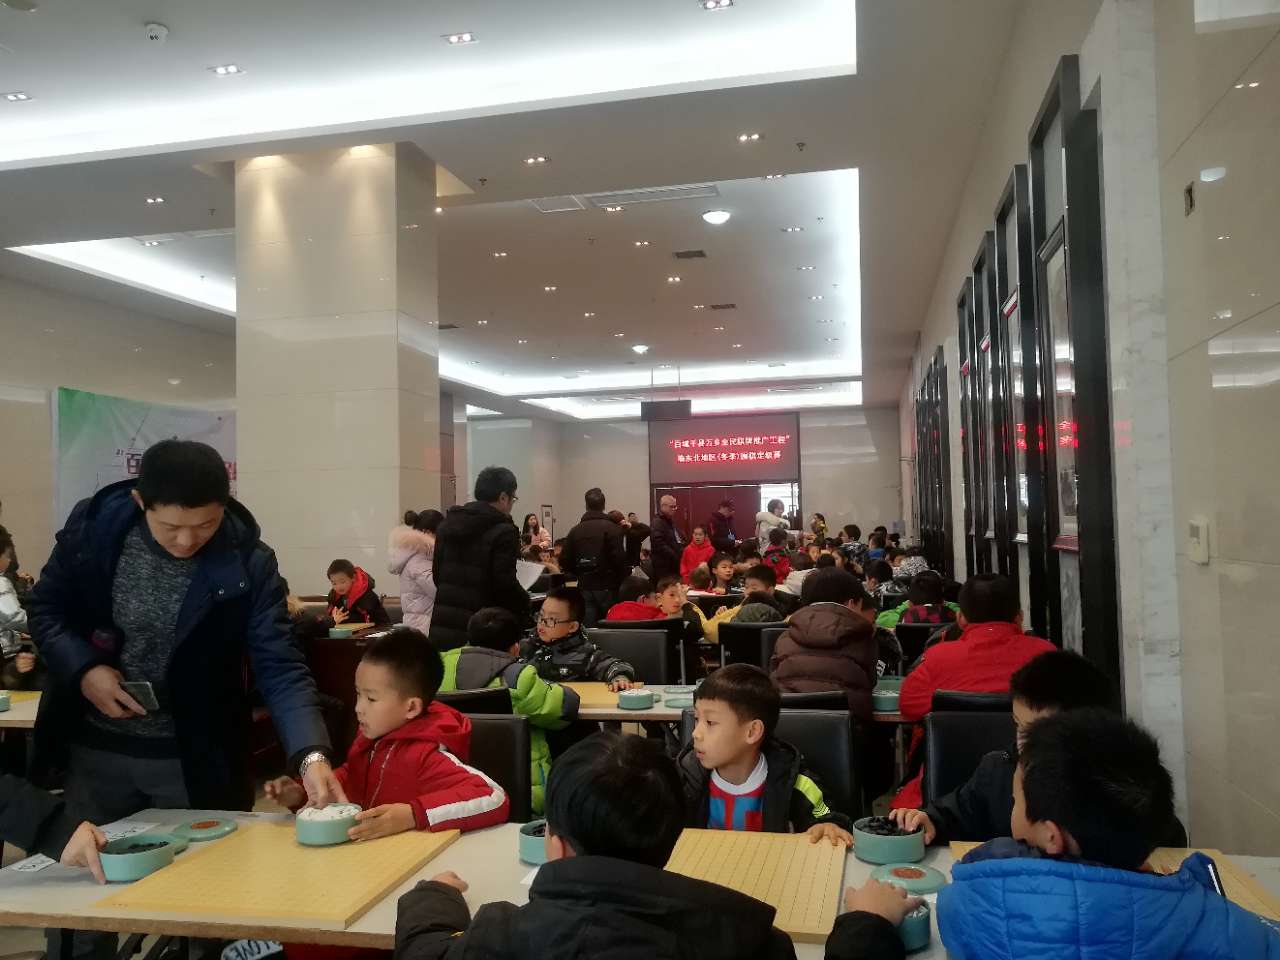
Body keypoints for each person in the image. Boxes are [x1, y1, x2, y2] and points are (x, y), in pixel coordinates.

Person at [28, 441, 340, 960]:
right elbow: (46, 612)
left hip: (195, 758)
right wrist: (84, 670)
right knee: (84, 901)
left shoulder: (249, 560)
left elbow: (280, 666)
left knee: (207, 902)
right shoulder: (94, 533)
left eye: (206, 524)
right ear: (140, 502)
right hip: (96, 754)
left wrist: (310, 754)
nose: (188, 540)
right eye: (171, 527)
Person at [393, 733, 799, 960]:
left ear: (557, 847)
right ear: (672, 839)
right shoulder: (755, 941)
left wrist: (434, 894)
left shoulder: (504, 936)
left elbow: (422, 952)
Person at [939, 710, 1280, 959]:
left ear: (1051, 836)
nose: (1013, 807)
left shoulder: (973, 902)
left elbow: (953, 904)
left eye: (1016, 801)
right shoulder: (1211, 917)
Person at [265, 627, 508, 838]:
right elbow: (350, 781)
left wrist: (412, 814)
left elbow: (493, 797)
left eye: (371, 699)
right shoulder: (369, 739)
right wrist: (302, 793)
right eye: (358, 694)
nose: (358, 708)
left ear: (411, 707)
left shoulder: (426, 756)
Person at [890, 650, 1116, 845]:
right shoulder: (1000, 769)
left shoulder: (1114, 792)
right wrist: (933, 821)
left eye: (1038, 734)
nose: (1022, 742)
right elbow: (960, 813)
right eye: (1018, 725)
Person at [891, 573, 1055, 810]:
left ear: (960, 618)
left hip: (944, 789)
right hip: (1035, 791)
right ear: (1019, 617)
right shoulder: (1046, 656)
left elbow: (908, 705)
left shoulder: (939, 658)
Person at [677, 664, 852, 841]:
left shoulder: (794, 782)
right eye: (697, 719)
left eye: (710, 722)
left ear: (752, 732)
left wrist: (827, 825)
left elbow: (826, 818)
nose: (695, 733)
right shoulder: (685, 778)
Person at [439, 609, 580, 814]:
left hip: (452, 787)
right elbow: (564, 708)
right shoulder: (517, 678)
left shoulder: (438, 669)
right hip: (518, 790)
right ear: (515, 648)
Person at [429, 466, 529, 651]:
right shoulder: (504, 531)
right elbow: (504, 585)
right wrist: (525, 602)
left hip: (443, 623)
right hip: (483, 627)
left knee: (448, 668)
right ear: (503, 497)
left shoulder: (447, 525)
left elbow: (437, 575)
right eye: (513, 498)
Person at [769, 568, 877, 722]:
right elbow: (870, 683)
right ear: (851, 603)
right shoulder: (862, 638)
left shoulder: (785, 637)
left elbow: (773, 678)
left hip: (786, 726)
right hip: (847, 729)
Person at [520, 587, 634, 689]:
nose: (542, 623)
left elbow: (615, 665)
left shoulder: (586, 654)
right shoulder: (526, 647)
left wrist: (619, 678)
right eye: (541, 616)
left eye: (551, 619)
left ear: (572, 627)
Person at [560, 488, 627, 628]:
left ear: (586, 505)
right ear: (603, 505)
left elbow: (564, 560)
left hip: (585, 585)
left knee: (589, 629)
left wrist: (578, 572)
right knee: (611, 628)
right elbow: (619, 559)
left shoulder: (575, 531)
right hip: (608, 586)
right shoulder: (613, 529)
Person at [388, 510, 442, 634]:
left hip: (419, 623)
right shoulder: (420, 560)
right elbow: (438, 592)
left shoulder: (413, 555)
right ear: (427, 532)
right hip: (424, 627)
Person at [0, 528, 40, 689]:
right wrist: (40, 624)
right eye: (7, 555)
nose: (10, 560)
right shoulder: (1, 582)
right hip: (5, 650)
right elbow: (14, 617)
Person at [318, 558, 391, 629]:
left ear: (353, 578)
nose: (338, 587)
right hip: (346, 632)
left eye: (342, 582)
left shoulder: (366, 595)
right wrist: (332, 617)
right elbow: (331, 616)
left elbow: (368, 620)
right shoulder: (333, 596)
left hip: (377, 631)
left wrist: (342, 618)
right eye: (334, 583)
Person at [879, 572, 959, 629]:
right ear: (942, 600)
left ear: (910, 603)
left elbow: (881, 619)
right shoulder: (955, 612)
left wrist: (907, 607)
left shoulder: (905, 614)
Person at [648, 494, 684, 581]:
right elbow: (658, 544)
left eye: (675, 507)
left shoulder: (669, 521)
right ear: (663, 506)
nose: (674, 509)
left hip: (671, 564)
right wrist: (675, 555)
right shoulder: (657, 522)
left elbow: (676, 539)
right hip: (664, 566)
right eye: (672, 506)